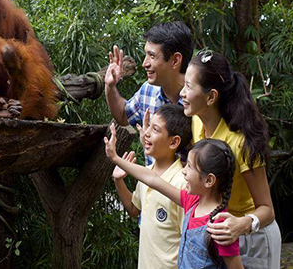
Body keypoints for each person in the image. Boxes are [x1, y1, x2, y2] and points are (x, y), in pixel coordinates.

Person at [180, 50, 281, 268]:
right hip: (223, 234)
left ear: (211, 96)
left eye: (189, 86)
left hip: (253, 236)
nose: (182, 92)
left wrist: (242, 224)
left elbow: (267, 209)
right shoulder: (197, 122)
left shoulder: (240, 143)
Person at [106, 127, 244, 269]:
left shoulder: (221, 226)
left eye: (189, 167)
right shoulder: (192, 202)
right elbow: (152, 179)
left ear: (209, 180)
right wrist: (115, 158)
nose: (184, 171)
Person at [112, 104, 192, 268]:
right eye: (148, 127)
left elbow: (189, 241)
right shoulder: (146, 173)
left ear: (174, 142)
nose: (146, 133)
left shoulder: (181, 183)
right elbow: (134, 210)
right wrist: (118, 181)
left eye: (155, 130)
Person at [105, 21, 193, 165]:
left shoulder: (201, 100)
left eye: (152, 56)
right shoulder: (148, 90)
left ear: (175, 60)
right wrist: (110, 86)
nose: (144, 63)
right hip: (151, 186)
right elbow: (122, 115)